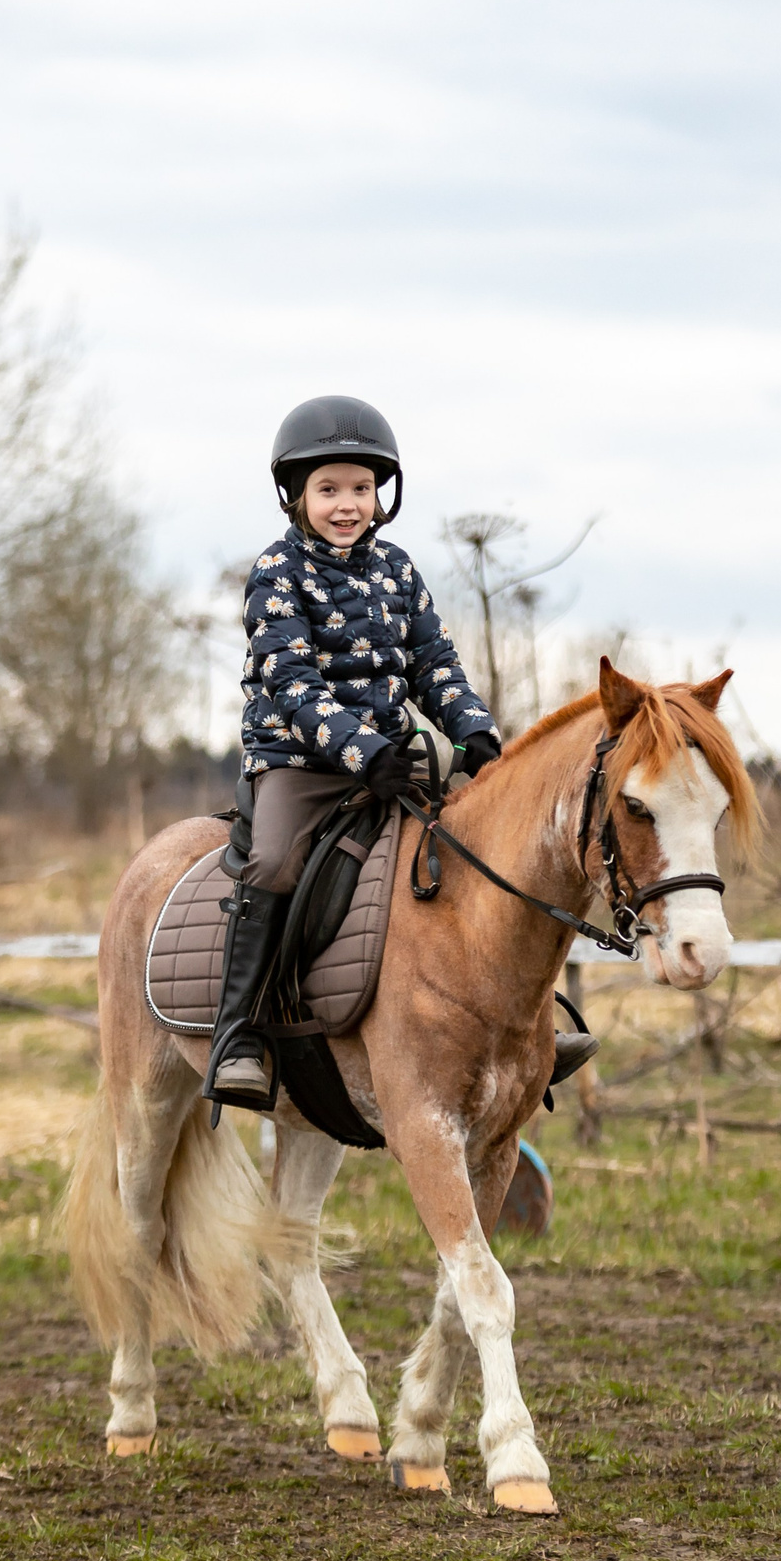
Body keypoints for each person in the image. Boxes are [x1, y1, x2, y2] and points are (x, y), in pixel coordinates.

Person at [206, 395, 501, 1110]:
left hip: (390, 761)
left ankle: (515, 1024)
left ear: (382, 494)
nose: (347, 504)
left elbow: (433, 660)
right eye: (329, 489)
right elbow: (295, 683)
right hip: (300, 765)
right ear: (296, 495)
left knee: (480, 847)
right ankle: (237, 1034)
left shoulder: (398, 570)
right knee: (274, 861)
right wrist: (363, 751)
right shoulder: (275, 572)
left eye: (361, 488)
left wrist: (476, 733)